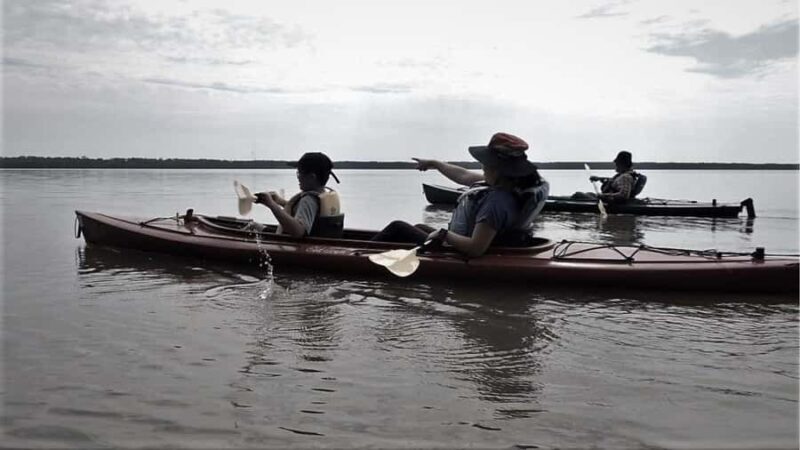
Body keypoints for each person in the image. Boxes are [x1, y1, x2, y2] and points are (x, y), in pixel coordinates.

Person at [372, 132, 549, 257]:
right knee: (419, 226)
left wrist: (444, 235)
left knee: (397, 227)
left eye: (485, 164)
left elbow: (475, 249)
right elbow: (463, 176)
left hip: (459, 252)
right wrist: (435, 163)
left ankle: (360, 255)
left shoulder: (496, 202)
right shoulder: (512, 187)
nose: (483, 167)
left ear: (498, 169)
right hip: (490, 244)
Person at [254, 152, 344, 238]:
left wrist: (272, 205)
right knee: (254, 226)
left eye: (299, 173)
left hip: (298, 247)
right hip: (319, 243)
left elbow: (298, 232)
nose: (298, 177)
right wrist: (280, 202)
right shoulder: (322, 195)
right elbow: (307, 211)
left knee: (252, 227)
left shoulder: (308, 200)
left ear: (312, 177)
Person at [573, 151, 646, 202]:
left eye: (617, 163)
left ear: (622, 164)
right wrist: (599, 178)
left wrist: (602, 196)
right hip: (607, 199)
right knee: (589, 194)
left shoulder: (625, 177)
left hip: (610, 202)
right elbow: (614, 182)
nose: (615, 165)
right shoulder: (625, 175)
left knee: (578, 194)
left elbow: (623, 195)